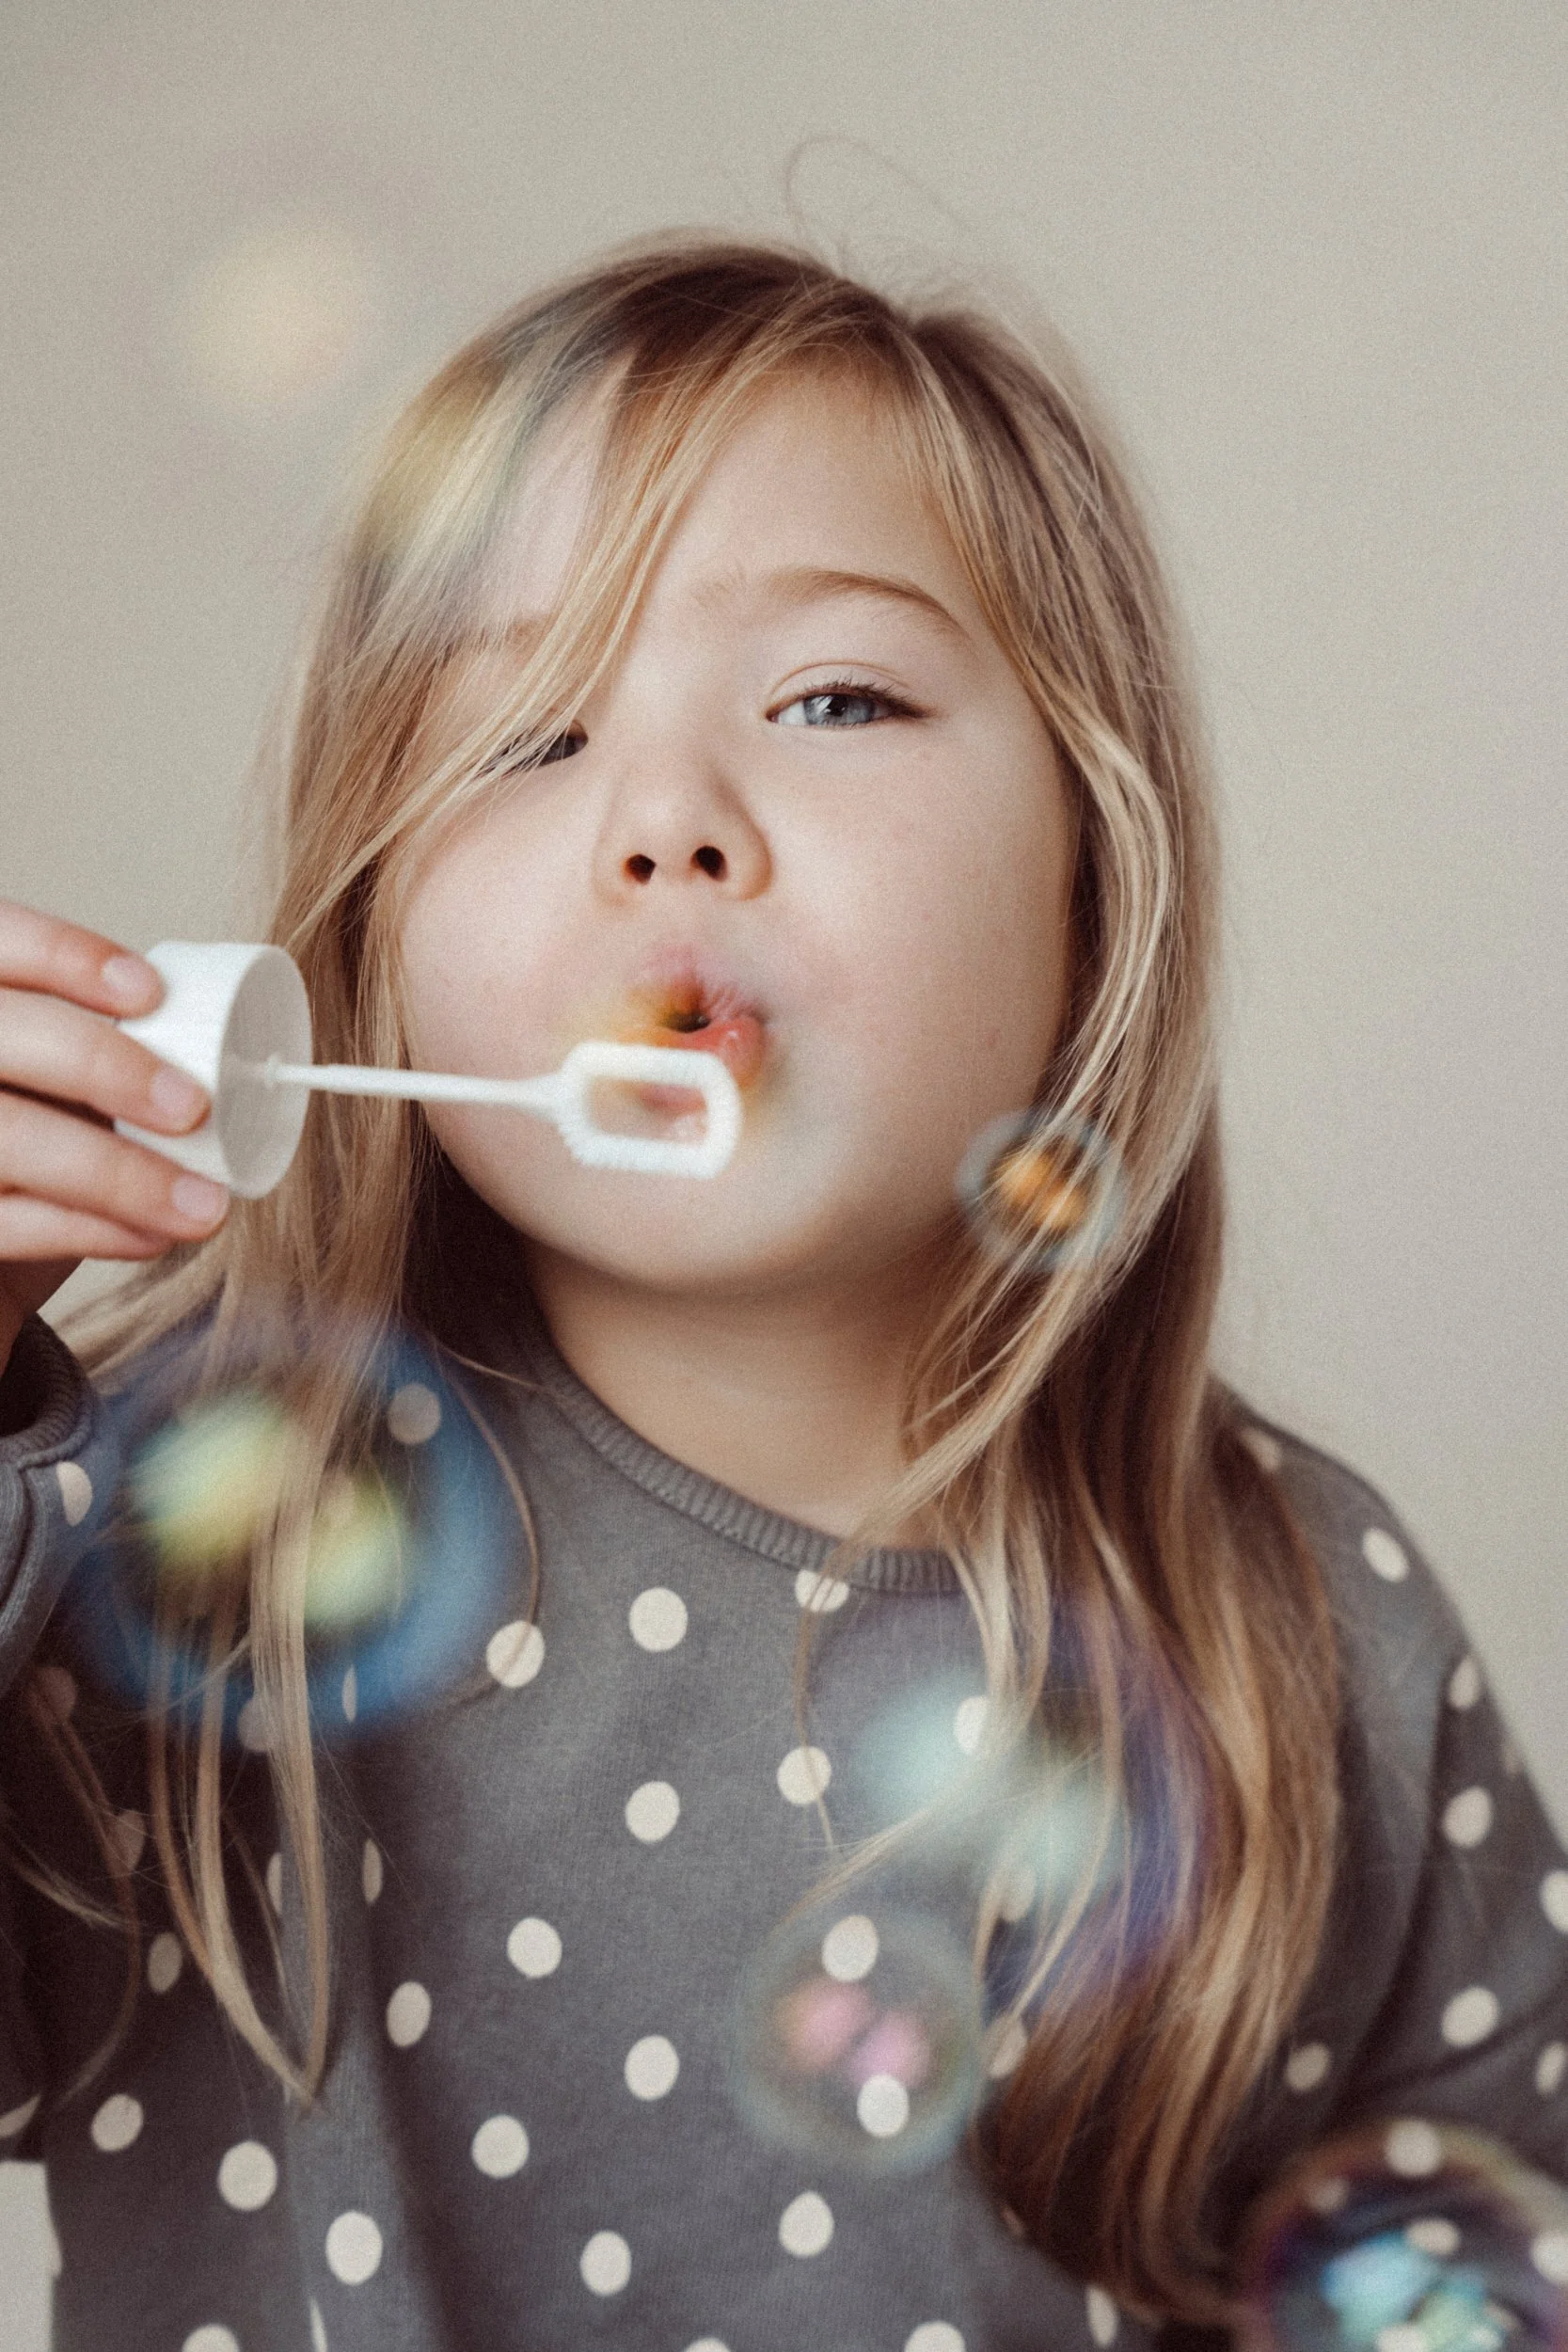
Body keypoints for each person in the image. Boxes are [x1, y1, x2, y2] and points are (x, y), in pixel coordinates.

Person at [0, 237, 1563, 2352]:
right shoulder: (169, 1537)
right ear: (370, 935)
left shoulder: (1303, 1618)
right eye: (522, 733)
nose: (664, 826)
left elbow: (1498, 2246)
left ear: (1092, 868)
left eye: (832, 697)